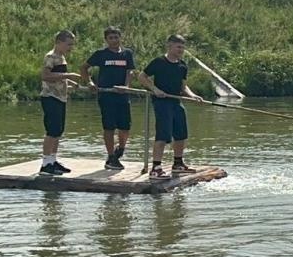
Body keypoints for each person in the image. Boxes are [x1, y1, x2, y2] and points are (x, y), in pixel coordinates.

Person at [142, 34, 205, 178]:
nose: (181, 50)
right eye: (178, 47)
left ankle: (178, 163)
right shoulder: (159, 62)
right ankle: (156, 168)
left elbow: (183, 87)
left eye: (183, 47)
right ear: (169, 46)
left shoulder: (182, 65)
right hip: (162, 102)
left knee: (181, 134)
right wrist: (155, 89)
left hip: (176, 102)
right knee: (163, 135)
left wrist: (192, 95)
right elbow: (142, 77)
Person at [85, 26, 138, 170]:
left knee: (125, 127)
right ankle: (111, 157)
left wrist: (126, 86)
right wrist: (90, 83)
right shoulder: (101, 54)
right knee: (109, 126)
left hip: (122, 95)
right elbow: (84, 68)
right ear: (106, 40)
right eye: (111, 38)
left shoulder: (127, 54)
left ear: (120, 38)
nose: (114, 40)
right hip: (106, 94)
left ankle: (120, 149)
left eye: (116, 37)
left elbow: (130, 71)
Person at [38, 30, 87, 176]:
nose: (71, 47)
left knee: (58, 131)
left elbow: (58, 76)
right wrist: (68, 75)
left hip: (61, 97)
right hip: (50, 97)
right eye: (68, 44)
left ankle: (53, 161)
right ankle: (45, 164)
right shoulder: (51, 57)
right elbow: (46, 76)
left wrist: (71, 83)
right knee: (51, 131)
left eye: (72, 44)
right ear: (59, 43)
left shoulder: (62, 57)